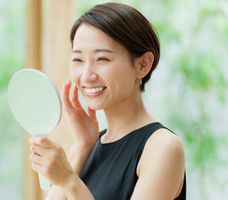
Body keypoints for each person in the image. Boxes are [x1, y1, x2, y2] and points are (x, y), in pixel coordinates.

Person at [29, 2, 186, 200]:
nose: (86, 76)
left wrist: (69, 180)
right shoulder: (89, 146)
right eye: (78, 60)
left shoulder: (162, 147)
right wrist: (82, 146)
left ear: (143, 65)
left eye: (102, 59)